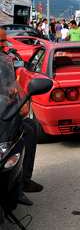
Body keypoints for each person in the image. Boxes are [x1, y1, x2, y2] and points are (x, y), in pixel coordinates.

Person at [0, 27, 44, 206]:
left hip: (5, 113)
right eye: (1, 41)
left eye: (4, 41)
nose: (4, 44)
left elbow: (14, 83)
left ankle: (21, 182)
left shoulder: (6, 60)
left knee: (29, 128)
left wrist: (22, 98)